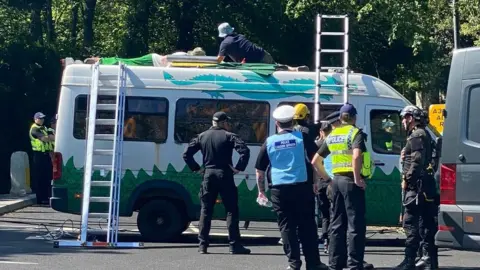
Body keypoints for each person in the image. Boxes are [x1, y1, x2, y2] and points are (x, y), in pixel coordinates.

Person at [255, 105, 328, 270]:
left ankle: (293, 263)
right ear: (293, 121)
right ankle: (313, 263)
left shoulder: (269, 142)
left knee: (286, 227)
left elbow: (260, 169)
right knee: (307, 226)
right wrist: (316, 182)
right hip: (302, 187)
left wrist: (261, 191)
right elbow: (315, 160)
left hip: (279, 189)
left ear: (276, 123)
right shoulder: (302, 138)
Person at [312, 103, 373, 270]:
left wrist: (329, 179)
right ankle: (354, 264)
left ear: (340, 118)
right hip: (350, 182)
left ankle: (335, 264)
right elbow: (356, 156)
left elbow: (315, 162)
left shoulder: (332, 135)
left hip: (336, 182)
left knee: (336, 224)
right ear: (354, 117)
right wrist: (357, 178)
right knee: (355, 225)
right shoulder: (355, 133)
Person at [182, 111, 251, 255]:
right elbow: (244, 150)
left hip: (208, 174)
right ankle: (234, 245)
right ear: (223, 122)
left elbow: (186, 154)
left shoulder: (202, 136)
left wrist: (197, 169)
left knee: (206, 210)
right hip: (225, 174)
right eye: (227, 122)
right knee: (231, 210)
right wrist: (238, 168)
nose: (228, 124)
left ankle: (202, 245)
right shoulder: (229, 136)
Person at [395, 105, 437, 270]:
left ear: (411, 118)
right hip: (423, 186)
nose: (403, 121)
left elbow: (417, 161)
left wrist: (408, 179)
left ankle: (409, 261)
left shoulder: (416, 135)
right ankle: (427, 261)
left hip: (417, 187)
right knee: (425, 224)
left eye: (404, 117)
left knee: (411, 223)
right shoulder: (420, 135)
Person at [216, 22, 308, 71]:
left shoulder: (225, 43)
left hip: (256, 63)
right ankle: (294, 69)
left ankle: (293, 70)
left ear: (222, 34)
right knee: (276, 67)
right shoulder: (240, 36)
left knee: (275, 70)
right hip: (263, 54)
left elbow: (219, 60)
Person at [314, 121, 334, 254]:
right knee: (333, 214)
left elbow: (314, 165)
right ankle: (331, 242)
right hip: (332, 182)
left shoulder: (316, 145)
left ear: (321, 132)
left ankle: (325, 240)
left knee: (325, 215)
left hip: (321, 183)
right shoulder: (334, 144)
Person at [29, 112, 55, 205]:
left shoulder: (44, 128)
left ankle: (46, 197)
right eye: (40, 118)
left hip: (46, 155)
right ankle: (40, 199)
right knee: (40, 178)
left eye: (43, 118)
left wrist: (49, 137)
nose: (42, 120)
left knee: (47, 177)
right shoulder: (34, 129)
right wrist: (49, 137)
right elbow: (44, 139)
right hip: (38, 155)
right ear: (35, 119)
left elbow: (52, 137)